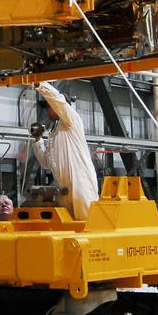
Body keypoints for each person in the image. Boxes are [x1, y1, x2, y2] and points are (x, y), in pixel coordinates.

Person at [32, 82, 100, 221]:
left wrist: (41, 85)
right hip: (64, 191)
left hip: (81, 186)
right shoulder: (55, 134)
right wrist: (38, 139)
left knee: (89, 227)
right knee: (70, 231)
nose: (47, 111)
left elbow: (59, 101)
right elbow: (45, 162)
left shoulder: (71, 122)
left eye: (49, 107)